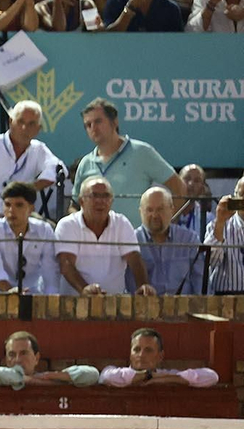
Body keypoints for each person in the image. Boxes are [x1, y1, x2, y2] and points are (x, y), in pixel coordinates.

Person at [74, 97, 185, 226]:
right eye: (88, 125)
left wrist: (161, 228)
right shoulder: (85, 163)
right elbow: (74, 206)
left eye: (98, 121)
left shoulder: (142, 152)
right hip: (96, 242)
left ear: (114, 122)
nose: (93, 128)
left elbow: (180, 189)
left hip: (135, 242)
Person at [0, 100, 63, 221]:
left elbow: (59, 169)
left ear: (38, 129)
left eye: (31, 124)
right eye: (20, 121)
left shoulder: (38, 149)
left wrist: (30, 188)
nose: (24, 128)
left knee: (46, 229)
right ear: (11, 122)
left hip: (19, 218)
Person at [55, 177, 152, 296]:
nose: (100, 201)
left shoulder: (121, 223)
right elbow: (66, 264)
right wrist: (85, 289)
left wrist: (143, 286)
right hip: (74, 304)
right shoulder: (68, 225)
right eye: (94, 196)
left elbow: (135, 259)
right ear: (81, 201)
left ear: (111, 201)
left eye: (106, 196)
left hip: (115, 305)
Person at [0, 181, 59, 293]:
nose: (11, 210)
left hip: (33, 294)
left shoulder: (44, 230)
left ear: (31, 208)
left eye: (19, 205)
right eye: (7, 205)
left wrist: (51, 299)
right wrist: (11, 291)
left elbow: (50, 270)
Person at [133, 186, 202, 295]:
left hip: (184, 308)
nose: (154, 215)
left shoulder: (189, 240)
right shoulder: (131, 242)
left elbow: (200, 283)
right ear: (140, 212)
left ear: (172, 210)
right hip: (144, 308)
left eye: (160, 209)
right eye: (149, 210)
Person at [99, 327, 219, 389]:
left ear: (160, 356)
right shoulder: (118, 373)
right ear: (130, 354)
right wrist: (148, 376)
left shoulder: (166, 375)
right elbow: (106, 377)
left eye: (148, 350)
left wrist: (164, 379)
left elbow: (212, 376)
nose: (141, 355)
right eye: (136, 349)